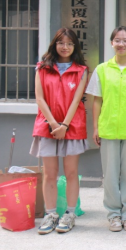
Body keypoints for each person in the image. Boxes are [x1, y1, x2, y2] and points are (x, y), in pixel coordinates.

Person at [87, 27, 126, 232]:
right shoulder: (102, 69)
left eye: (125, 40)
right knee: (110, 175)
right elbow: (97, 100)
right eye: (117, 40)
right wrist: (96, 127)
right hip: (108, 129)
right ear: (111, 43)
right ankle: (114, 214)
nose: (121, 44)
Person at [32, 28, 89, 235]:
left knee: (71, 172)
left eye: (69, 44)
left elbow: (77, 100)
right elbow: (40, 98)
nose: (65, 47)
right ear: (54, 45)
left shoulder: (82, 70)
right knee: (49, 174)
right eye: (61, 43)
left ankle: (70, 214)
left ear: (75, 47)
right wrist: (53, 124)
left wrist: (64, 126)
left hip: (72, 126)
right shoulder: (42, 68)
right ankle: (50, 214)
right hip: (46, 126)